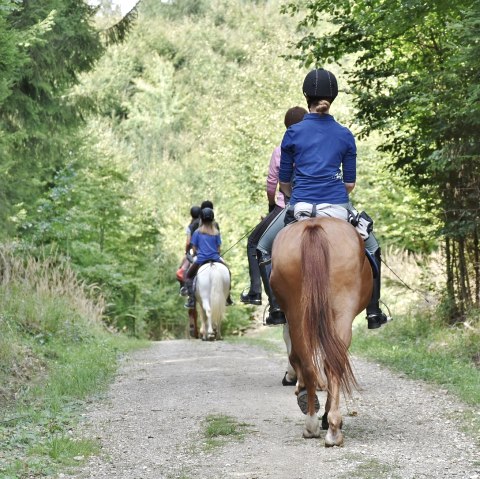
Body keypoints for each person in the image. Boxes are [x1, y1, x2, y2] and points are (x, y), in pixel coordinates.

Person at [257, 68, 390, 329]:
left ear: (306, 96)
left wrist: (293, 195)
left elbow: (284, 182)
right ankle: (374, 311)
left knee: (262, 247)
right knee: (373, 248)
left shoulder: (292, 133)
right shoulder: (344, 134)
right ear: (333, 97)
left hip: (300, 205)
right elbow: (349, 184)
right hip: (338, 205)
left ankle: (276, 308)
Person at [240, 106, 307, 308]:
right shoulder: (315, 148)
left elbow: (272, 184)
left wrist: (272, 204)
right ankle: (373, 304)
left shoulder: (280, 150)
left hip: (288, 206)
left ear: (287, 127)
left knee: (254, 243)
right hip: (322, 202)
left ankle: (263, 296)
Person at [184, 207, 232, 309]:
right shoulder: (216, 232)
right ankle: (228, 297)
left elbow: (194, 247)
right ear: (212, 219)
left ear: (201, 219)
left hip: (201, 259)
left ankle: (191, 300)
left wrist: (198, 253)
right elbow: (219, 249)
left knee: (188, 276)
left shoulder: (197, 232)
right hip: (216, 258)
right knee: (228, 272)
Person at [176, 205, 201, 291]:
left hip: (193, 250)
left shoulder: (190, 227)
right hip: (206, 249)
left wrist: (187, 251)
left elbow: (188, 242)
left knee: (182, 269)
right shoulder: (205, 225)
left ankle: (184, 287)